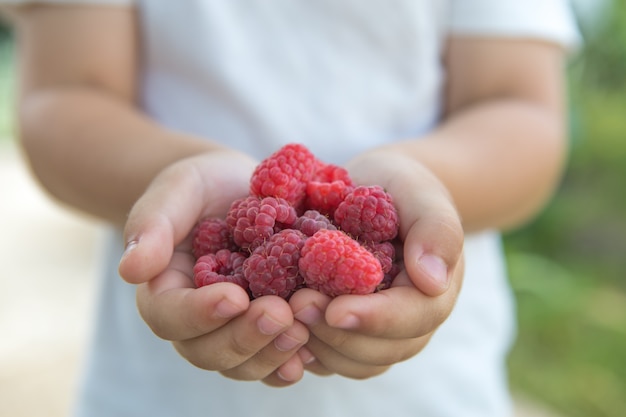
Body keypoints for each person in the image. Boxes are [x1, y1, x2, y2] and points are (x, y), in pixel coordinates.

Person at [0, 1, 580, 416]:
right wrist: (179, 174)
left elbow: (517, 109)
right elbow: (64, 99)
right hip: (156, 391)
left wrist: (423, 186)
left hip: (432, 391)